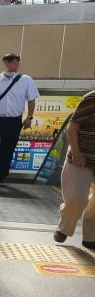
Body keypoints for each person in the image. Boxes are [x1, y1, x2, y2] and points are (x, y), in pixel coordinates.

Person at [0, 53, 39, 185]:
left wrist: (29, 117)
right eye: (12, 61)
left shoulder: (27, 80)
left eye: (17, 62)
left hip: (14, 120)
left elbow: (31, 100)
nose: (15, 64)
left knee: (8, 149)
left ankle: (0, 177)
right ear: (5, 62)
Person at [53, 89, 95, 249]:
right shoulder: (91, 99)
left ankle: (90, 236)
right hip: (81, 157)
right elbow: (72, 127)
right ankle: (64, 228)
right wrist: (76, 153)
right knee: (77, 197)